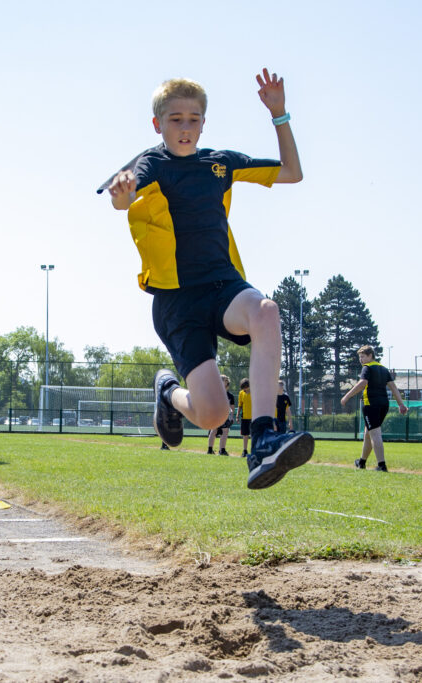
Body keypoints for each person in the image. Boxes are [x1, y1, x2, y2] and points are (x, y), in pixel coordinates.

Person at [100, 68, 312, 489]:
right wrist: (122, 193)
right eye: (175, 119)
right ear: (157, 124)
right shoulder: (152, 163)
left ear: (203, 123)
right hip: (177, 302)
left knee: (267, 312)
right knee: (214, 414)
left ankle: (265, 438)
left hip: (222, 286)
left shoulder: (221, 163)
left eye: (193, 118)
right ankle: (168, 394)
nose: (185, 127)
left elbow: (292, 172)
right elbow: (123, 200)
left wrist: (280, 115)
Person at [340, 345, 408, 472]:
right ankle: (361, 462)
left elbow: (362, 383)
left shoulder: (367, 367)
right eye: (360, 357)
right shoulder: (383, 369)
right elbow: (393, 387)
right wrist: (401, 404)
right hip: (384, 404)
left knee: (375, 434)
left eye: (363, 356)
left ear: (370, 356)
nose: (361, 360)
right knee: (368, 433)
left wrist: (346, 396)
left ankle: (381, 465)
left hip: (371, 405)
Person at [206, 374, 235, 456]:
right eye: (222, 380)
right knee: (213, 430)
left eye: (225, 380)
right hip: (216, 414)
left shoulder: (230, 396)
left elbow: (232, 408)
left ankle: (222, 450)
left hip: (225, 415)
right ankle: (210, 449)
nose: (223, 381)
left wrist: (231, 417)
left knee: (225, 431)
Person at [235, 378, 252, 457]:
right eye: (243, 388)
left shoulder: (255, 392)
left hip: (253, 418)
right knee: (245, 435)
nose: (244, 389)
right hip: (244, 417)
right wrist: (237, 415)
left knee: (254, 435)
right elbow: (240, 405)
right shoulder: (241, 393)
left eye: (245, 387)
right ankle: (245, 451)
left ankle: (254, 450)